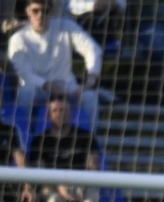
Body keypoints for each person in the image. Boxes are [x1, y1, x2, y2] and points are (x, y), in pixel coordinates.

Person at [7, 0, 100, 129]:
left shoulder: (66, 26)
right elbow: (23, 73)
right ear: (27, 11)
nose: (40, 15)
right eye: (35, 11)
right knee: (25, 94)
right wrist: (48, 85)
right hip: (38, 88)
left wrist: (91, 79)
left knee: (90, 97)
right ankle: (23, 137)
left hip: (67, 86)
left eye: (45, 11)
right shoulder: (18, 38)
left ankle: (91, 138)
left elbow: (92, 49)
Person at [27, 89, 101, 202]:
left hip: (81, 182)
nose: (59, 114)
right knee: (54, 200)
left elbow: (93, 168)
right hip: (51, 184)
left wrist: (82, 186)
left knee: (90, 201)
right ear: (48, 115)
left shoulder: (86, 137)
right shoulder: (40, 141)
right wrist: (58, 187)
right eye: (55, 111)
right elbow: (40, 173)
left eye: (63, 110)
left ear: (70, 113)